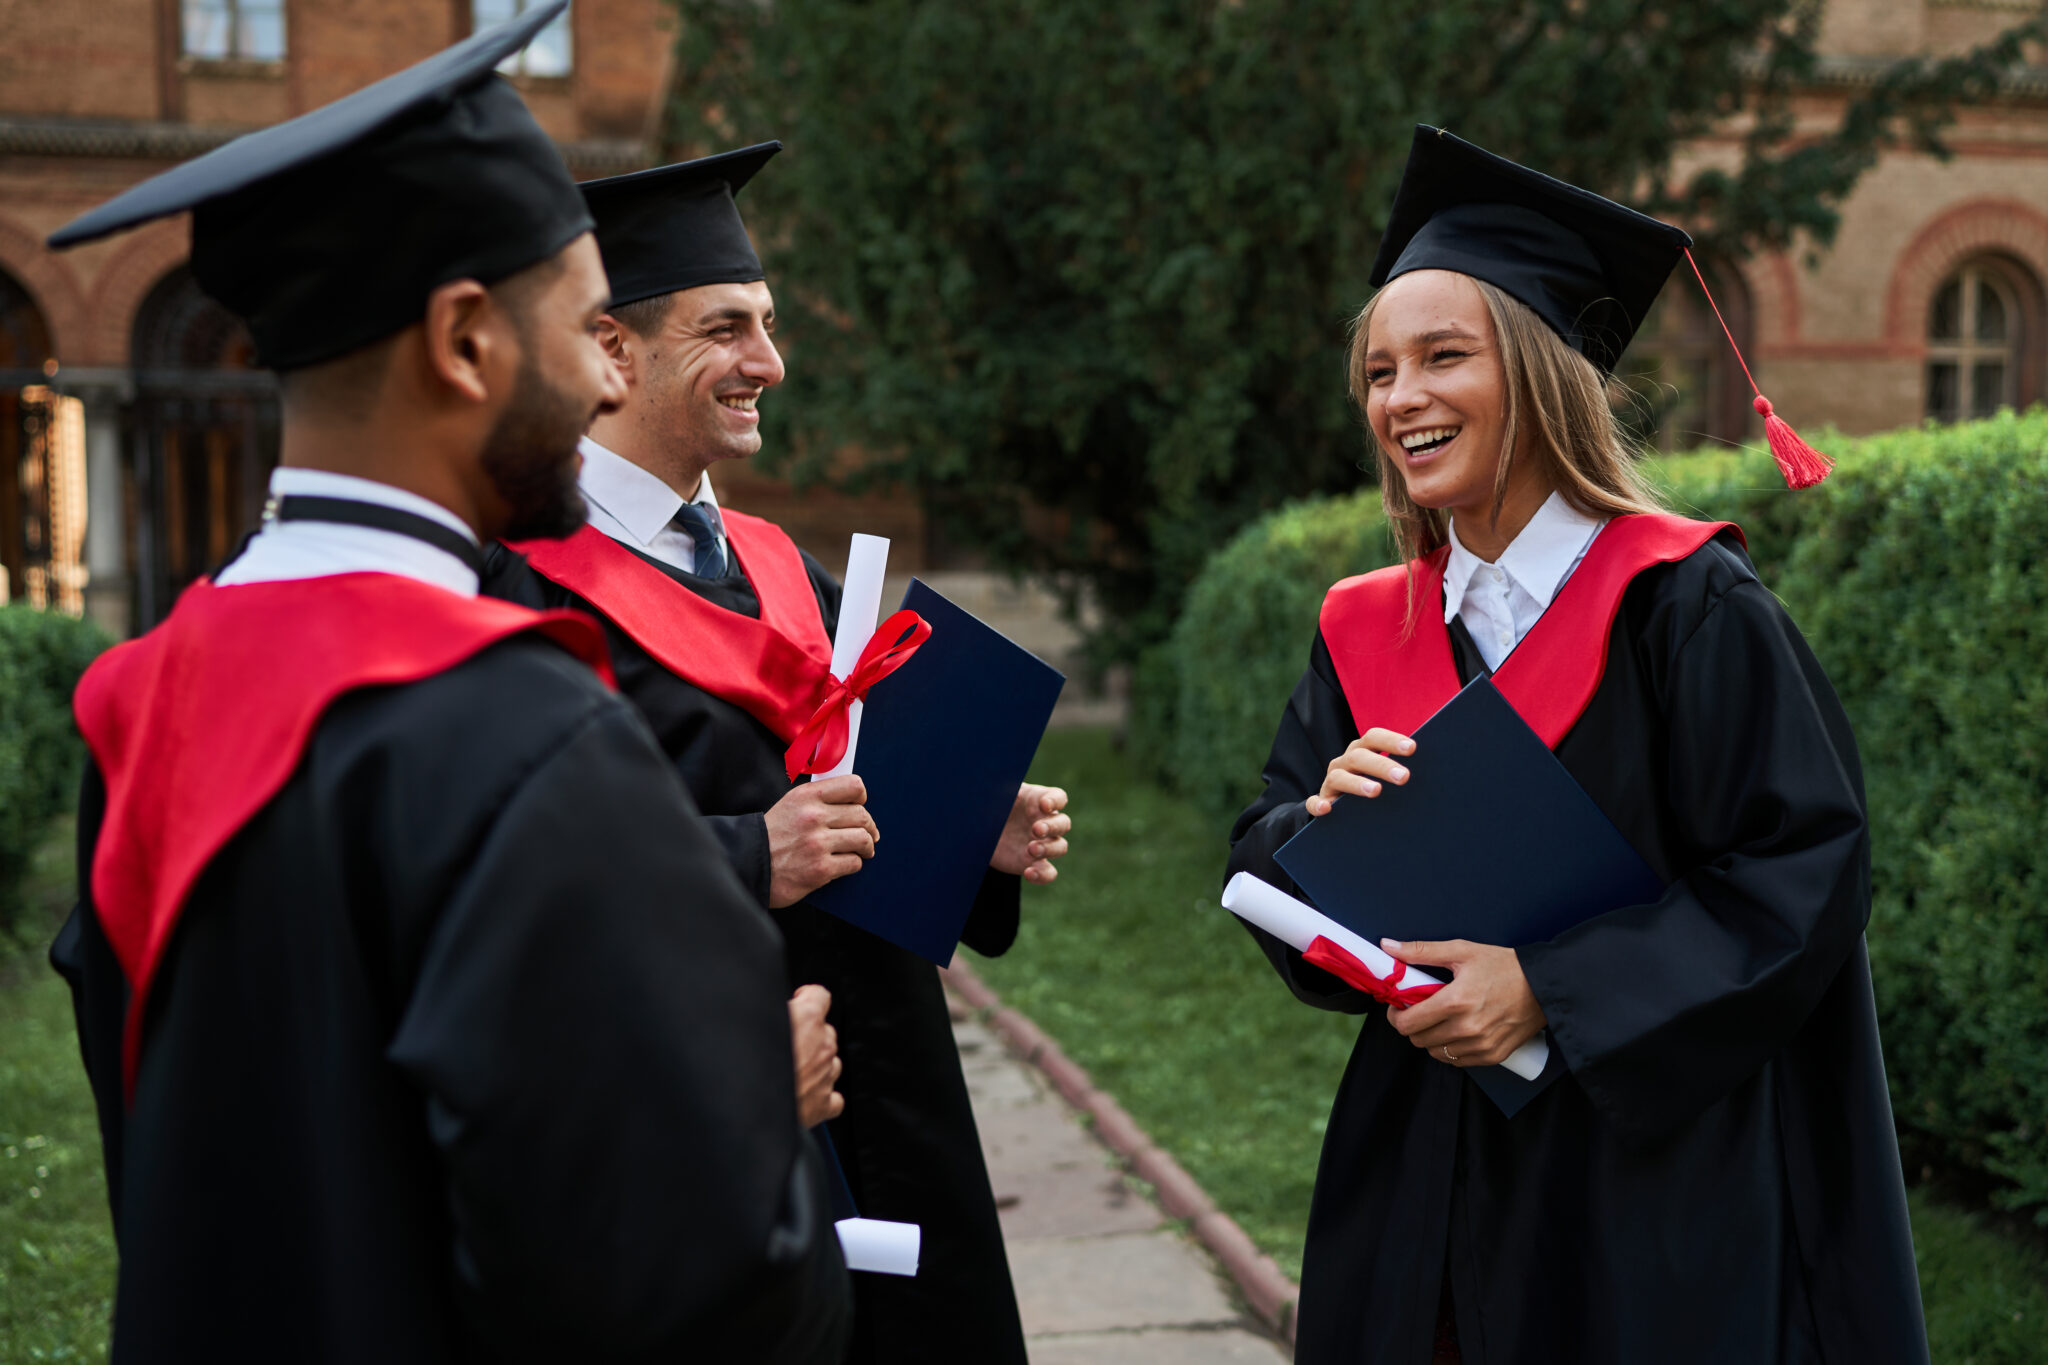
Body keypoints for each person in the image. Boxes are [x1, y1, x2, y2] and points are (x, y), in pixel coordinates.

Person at [44, 9, 850, 1361]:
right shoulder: (522, 731)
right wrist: (747, 1113)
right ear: (469, 343)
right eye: (586, 324)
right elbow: (668, 1286)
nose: (607, 376)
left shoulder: (142, 699)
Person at [1225, 126, 1926, 1365]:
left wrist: (1547, 988)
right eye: (1380, 370)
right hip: (1425, 1174)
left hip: (1640, 1182)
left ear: (1544, 377)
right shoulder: (1368, 628)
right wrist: (1315, 833)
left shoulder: (1684, 606)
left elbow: (1799, 873)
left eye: (1444, 357)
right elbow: (1266, 853)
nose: (1401, 398)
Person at [480, 145, 1070, 1365]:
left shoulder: (770, 560)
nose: (770, 365)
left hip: (889, 1089)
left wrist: (967, 833)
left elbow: (846, 806)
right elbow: (507, 866)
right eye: (728, 328)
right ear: (610, 351)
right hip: (699, 1109)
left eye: (767, 325)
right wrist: (752, 853)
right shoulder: (512, 588)